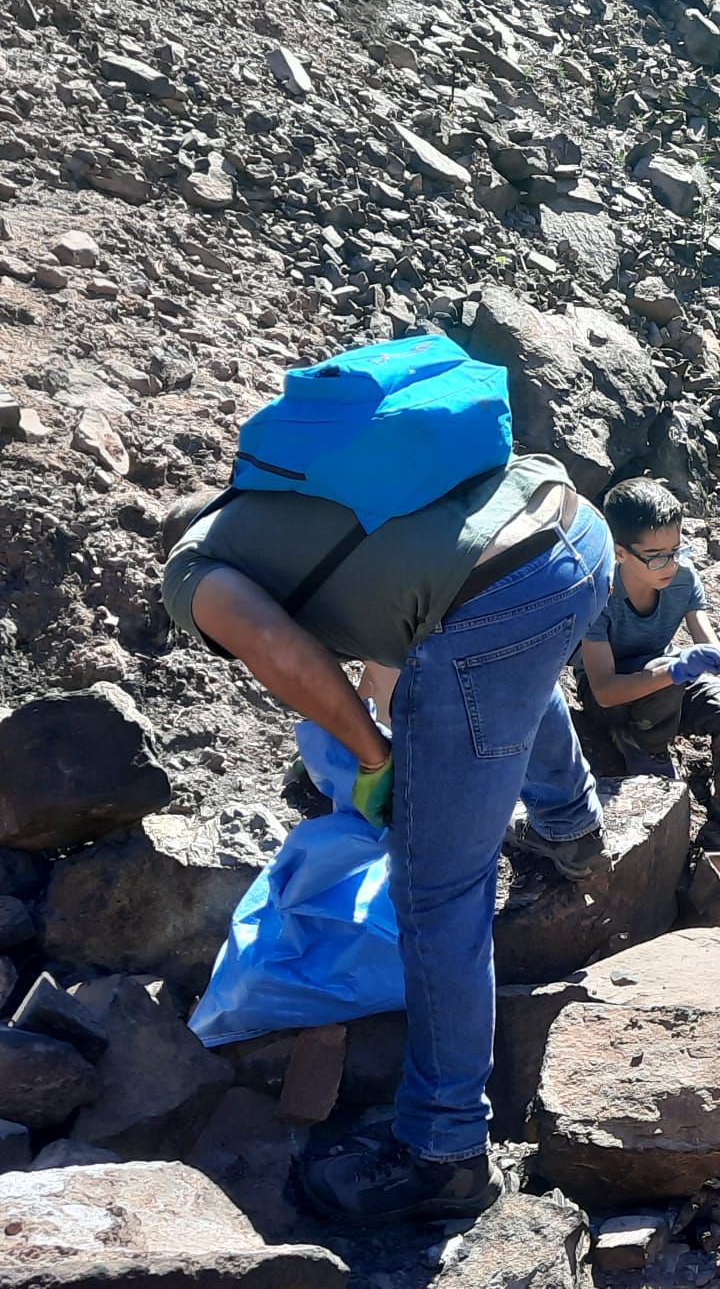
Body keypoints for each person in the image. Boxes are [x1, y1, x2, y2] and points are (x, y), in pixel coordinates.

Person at [161, 451, 610, 1225]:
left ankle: (445, 1156)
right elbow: (399, 640)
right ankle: (572, 824)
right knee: (502, 665)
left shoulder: (194, 571)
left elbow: (285, 653)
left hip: (502, 589)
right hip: (572, 529)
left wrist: (376, 762)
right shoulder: (306, 501)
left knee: (435, 893)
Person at [578, 478, 720, 847]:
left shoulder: (683, 579)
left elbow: (705, 641)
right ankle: (642, 746)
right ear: (620, 552)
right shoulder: (598, 591)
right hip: (612, 695)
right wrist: (677, 668)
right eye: (657, 555)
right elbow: (603, 691)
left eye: (676, 550)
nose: (670, 563)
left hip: (664, 678)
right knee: (672, 672)